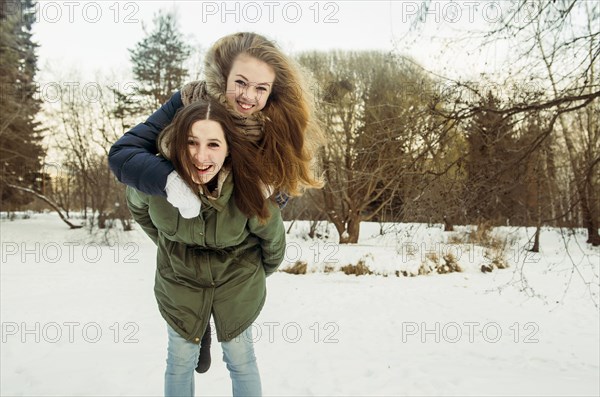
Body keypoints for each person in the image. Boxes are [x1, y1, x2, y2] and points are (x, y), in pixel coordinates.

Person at [109, 31, 325, 373]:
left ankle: (215, 316)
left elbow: (288, 181)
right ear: (223, 75)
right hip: (182, 219)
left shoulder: (274, 121)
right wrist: (171, 183)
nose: (249, 97)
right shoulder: (187, 101)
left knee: (239, 351)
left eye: (261, 89)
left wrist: (267, 190)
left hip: (229, 237)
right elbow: (123, 154)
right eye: (240, 83)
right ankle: (197, 324)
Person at [125, 99, 286, 397]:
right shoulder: (155, 183)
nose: (201, 156)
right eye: (191, 142)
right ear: (177, 144)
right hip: (179, 283)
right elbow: (140, 211)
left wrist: (253, 275)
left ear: (228, 149)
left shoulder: (249, 188)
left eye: (213, 144)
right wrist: (167, 244)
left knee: (240, 360)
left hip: (236, 283)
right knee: (180, 360)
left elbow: (273, 243)